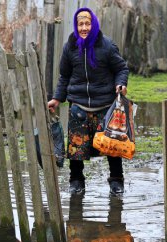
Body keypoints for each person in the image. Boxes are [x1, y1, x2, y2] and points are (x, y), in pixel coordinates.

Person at [48, 7, 129, 195]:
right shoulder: (70, 47)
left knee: (112, 147)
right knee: (76, 148)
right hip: (79, 106)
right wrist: (56, 99)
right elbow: (64, 76)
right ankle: (77, 181)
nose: (84, 28)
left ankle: (116, 181)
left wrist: (121, 84)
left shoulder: (107, 46)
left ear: (93, 25)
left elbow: (121, 69)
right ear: (76, 26)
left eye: (87, 23)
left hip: (105, 106)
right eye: (80, 24)